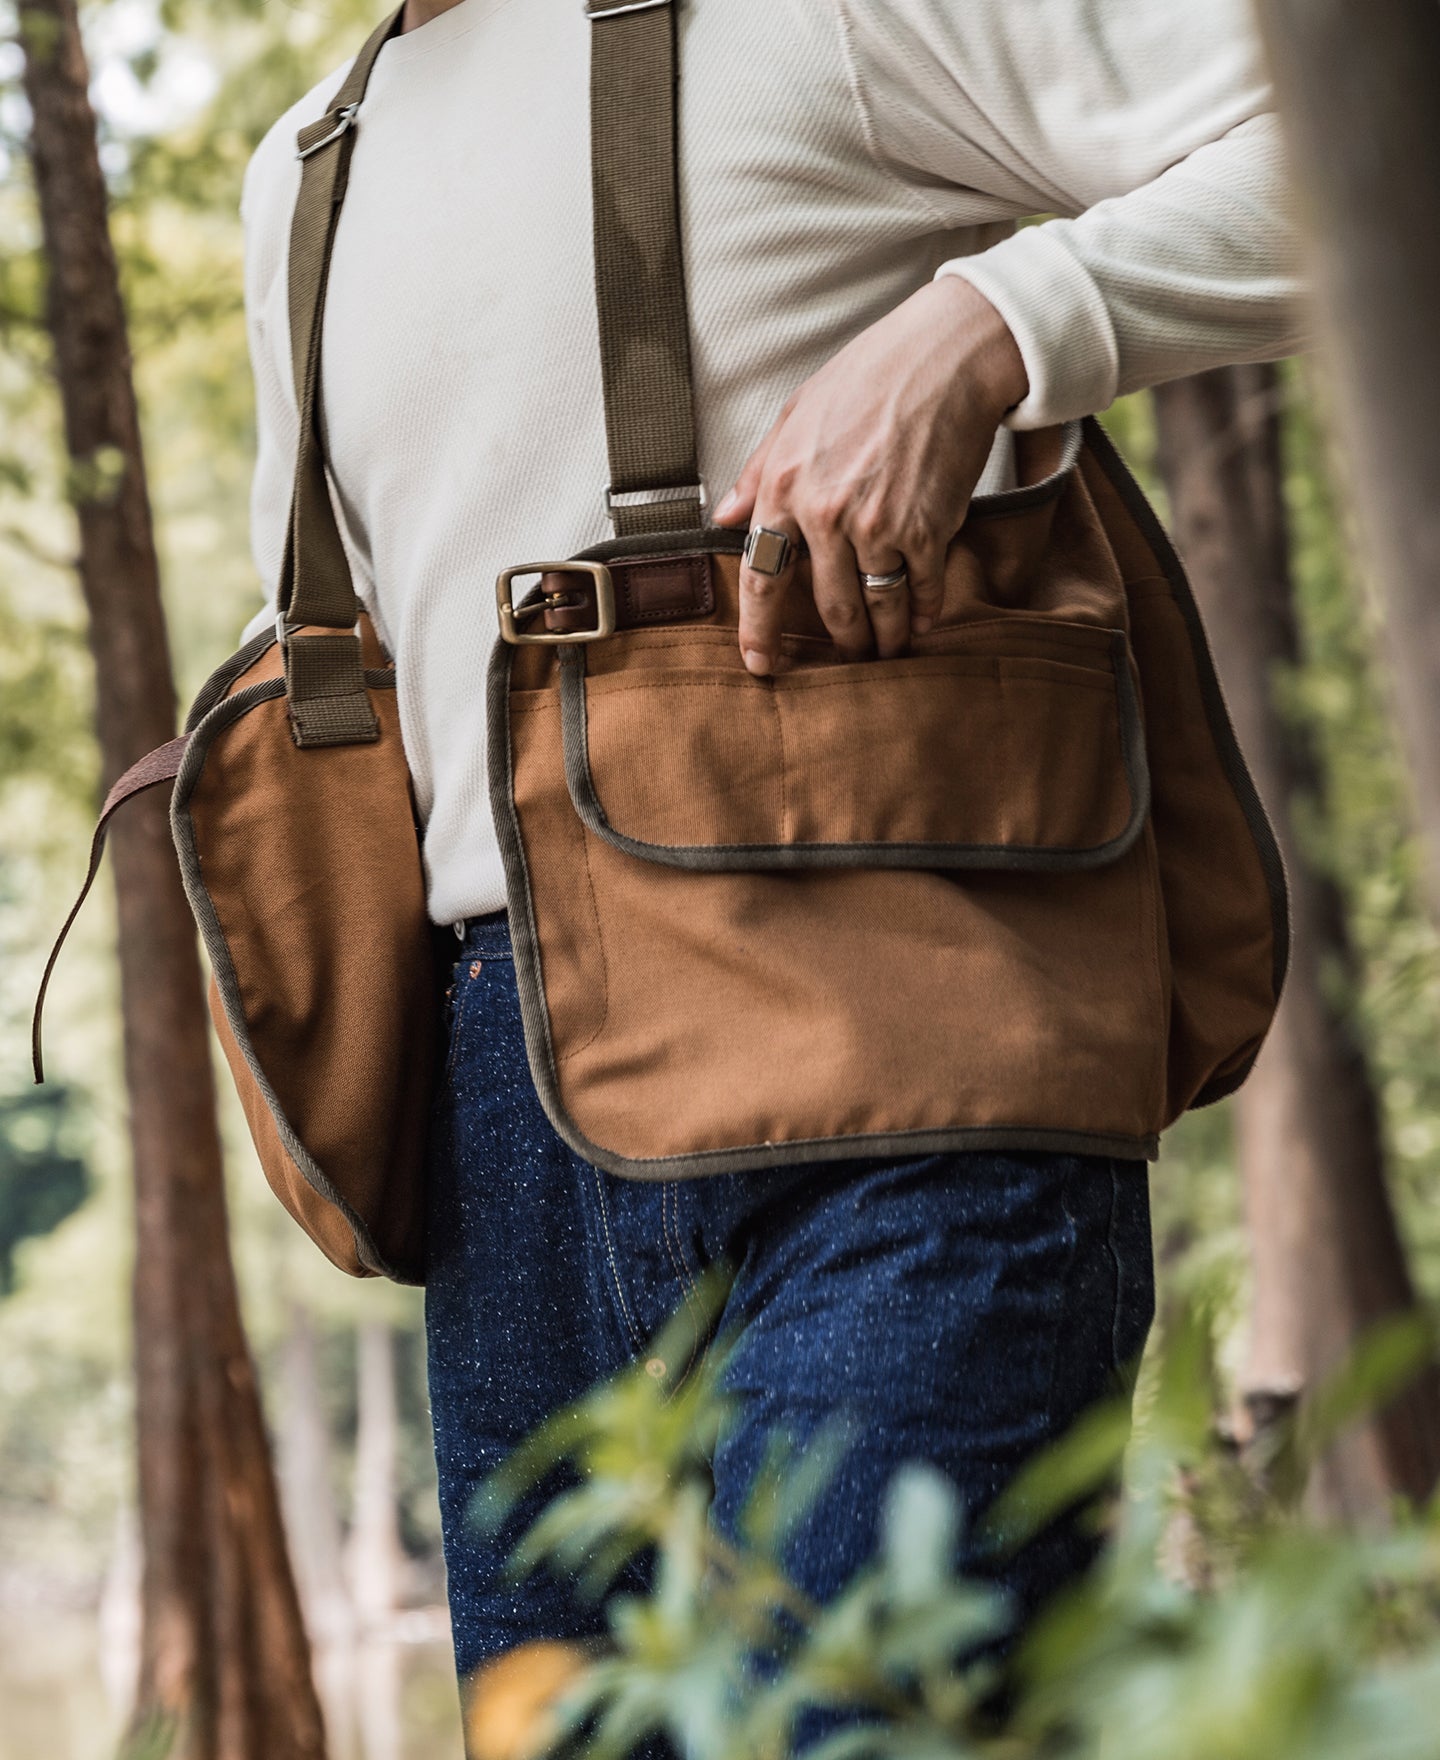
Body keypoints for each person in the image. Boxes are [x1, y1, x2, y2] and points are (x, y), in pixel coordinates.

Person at [239, 0, 1304, 1702]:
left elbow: (1348, 151)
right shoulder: (305, 167)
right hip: (509, 1130)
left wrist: (994, 324)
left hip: (909, 1038)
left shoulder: (822, 15)